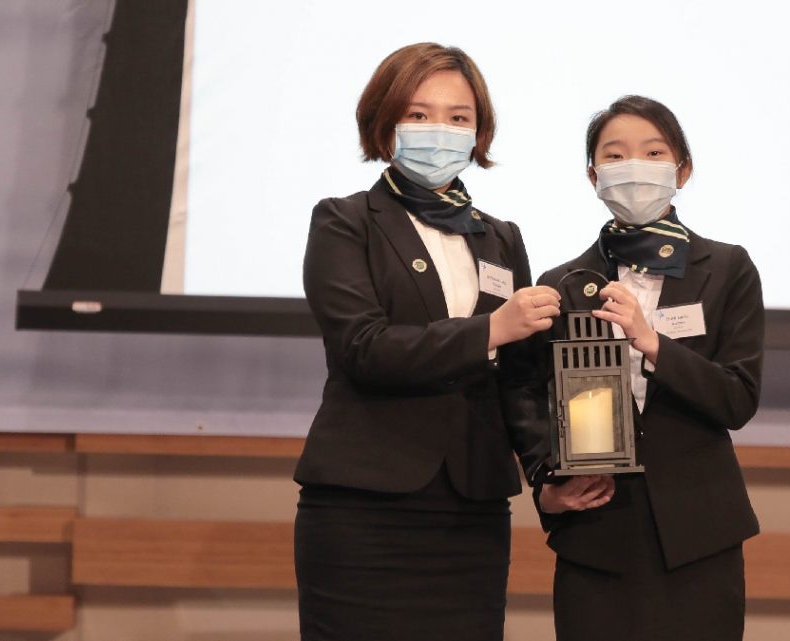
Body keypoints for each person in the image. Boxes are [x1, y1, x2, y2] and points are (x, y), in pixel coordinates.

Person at [293, 42, 559, 641]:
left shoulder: (501, 238)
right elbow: (364, 347)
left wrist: (548, 473)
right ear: (383, 124)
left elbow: (517, 377)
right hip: (363, 507)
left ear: (479, 132)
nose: (439, 130)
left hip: (472, 508)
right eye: (418, 114)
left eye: (458, 117)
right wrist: (490, 328)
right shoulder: (344, 220)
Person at [535, 95, 765, 641]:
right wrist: (547, 485)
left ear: (681, 168)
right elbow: (527, 398)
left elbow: (737, 399)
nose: (632, 167)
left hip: (698, 535)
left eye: (652, 151)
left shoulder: (727, 268)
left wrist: (653, 342)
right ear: (593, 176)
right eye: (614, 156)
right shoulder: (564, 281)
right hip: (596, 533)